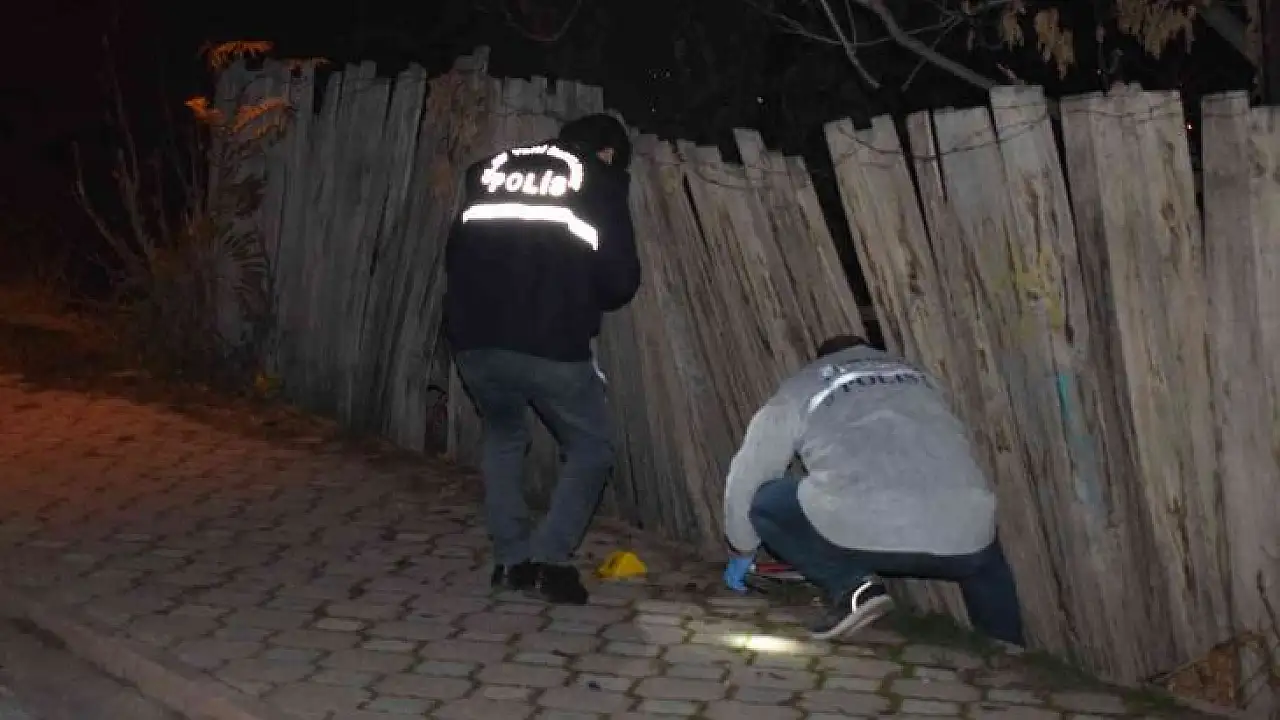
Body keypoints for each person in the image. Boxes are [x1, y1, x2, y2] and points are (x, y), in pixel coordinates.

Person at [443, 114, 641, 605]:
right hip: (551, 343)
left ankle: (510, 560)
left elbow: (454, 254)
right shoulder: (600, 180)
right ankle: (549, 561)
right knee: (590, 449)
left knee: (504, 437)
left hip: (475, 339)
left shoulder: (487, 171)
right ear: (608, 153)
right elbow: (619, 282)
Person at [720, 334, 1025, 645]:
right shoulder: (924, 380)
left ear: (823, 360)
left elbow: (750, 471)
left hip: (863, 529)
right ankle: (1006, 646)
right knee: (980, 540)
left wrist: (741, 548)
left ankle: (853, 588)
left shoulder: (802, 387)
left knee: (769, 502)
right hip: (962, 538)